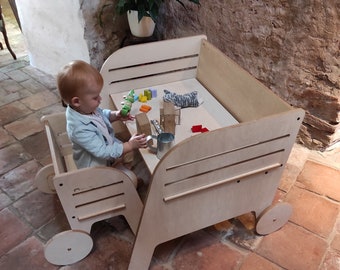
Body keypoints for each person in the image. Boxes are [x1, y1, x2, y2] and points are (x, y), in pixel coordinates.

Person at [57, 60, 147, 185]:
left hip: (107, 150)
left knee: (129, 153)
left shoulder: (85, 108)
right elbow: (102, 152)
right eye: (95, 97)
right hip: (96, 167)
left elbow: (101, 114)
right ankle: (123, 184)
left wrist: (116, 115)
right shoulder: (78, 128)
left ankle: (123, 170)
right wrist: (129, 145)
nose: (100, 99)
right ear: (76, 101)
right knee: (130, 175)